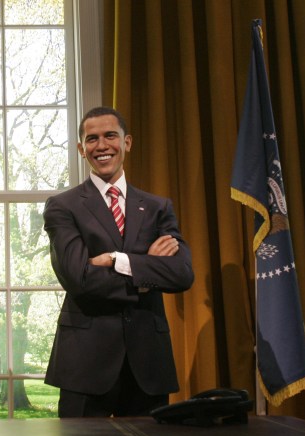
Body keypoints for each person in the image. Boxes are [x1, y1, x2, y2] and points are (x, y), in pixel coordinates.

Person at [43, 106, 194, 417]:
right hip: (85, 364)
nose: (102, 146)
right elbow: (78, 278)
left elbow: (180, 274)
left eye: (110, 136)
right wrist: (146, 273)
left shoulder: (157, 207)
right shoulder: (62, 206)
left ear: (127, 143)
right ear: (81, 149)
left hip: (148, 363)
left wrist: (117, 260)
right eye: (92, 138)